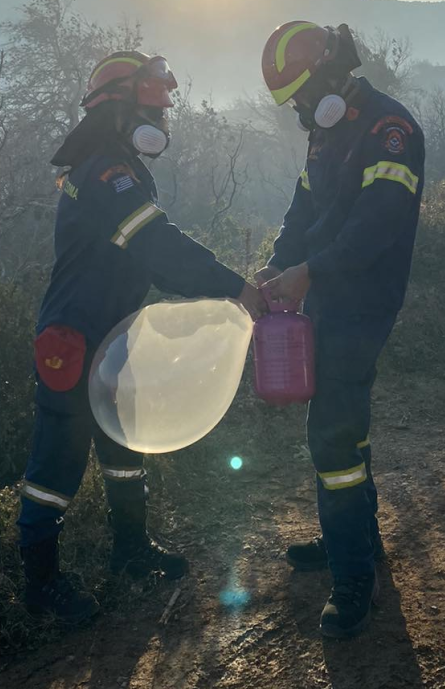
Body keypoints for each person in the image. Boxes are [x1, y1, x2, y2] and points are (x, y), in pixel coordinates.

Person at [18, 50, 267, 625]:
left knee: (123, 446)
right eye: (153, 108)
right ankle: (40, 589)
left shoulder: (115, 165)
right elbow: (159, 249)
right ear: (119, 110)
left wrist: (214, 294)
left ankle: (130, 552)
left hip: (111, 335)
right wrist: (236, 288)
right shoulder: (107, 171)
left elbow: (151, 262)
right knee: (56, 466)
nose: (162, 120)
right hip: (74, 341)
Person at [256, 21, 424, 639]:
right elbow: (305, 208)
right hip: (324, 296)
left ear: (331, 74)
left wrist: (311, 272)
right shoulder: (326, 134)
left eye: (302, 94)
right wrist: (281, 260)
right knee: (342, 430)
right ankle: (356, 539)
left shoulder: (389, 130)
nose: (300, 109)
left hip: (362, 304)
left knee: (331, 435)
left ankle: (353, 575)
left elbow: (376, 226)